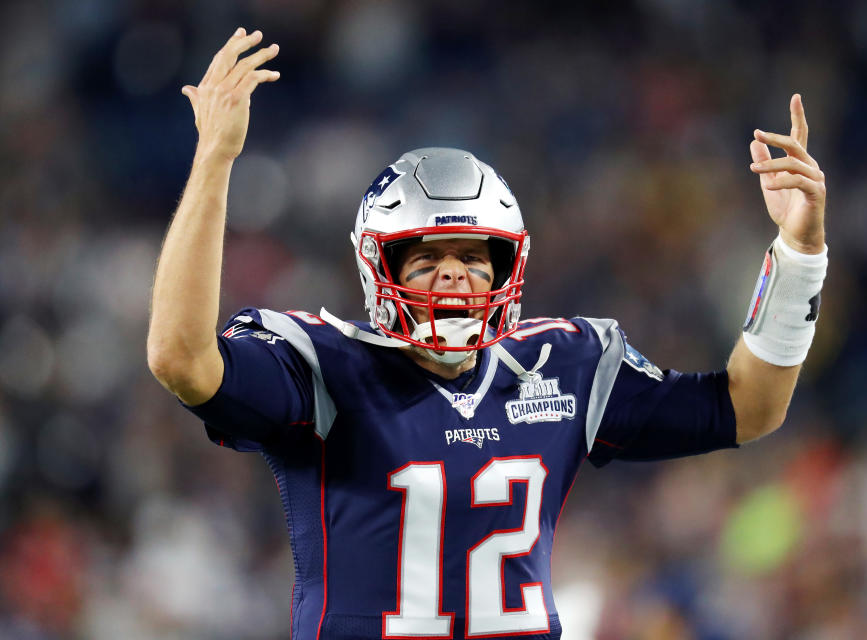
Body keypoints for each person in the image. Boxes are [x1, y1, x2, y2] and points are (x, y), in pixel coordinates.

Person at [147, 28, 827, 640]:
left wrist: (799, 254)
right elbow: (180, 357)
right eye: (426, 258)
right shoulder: (322, 369)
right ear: (376, 264)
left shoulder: (566, 365)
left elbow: (751, 407)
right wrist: (214, 161)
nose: (454, 277)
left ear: (508, 265)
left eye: (475, 258)